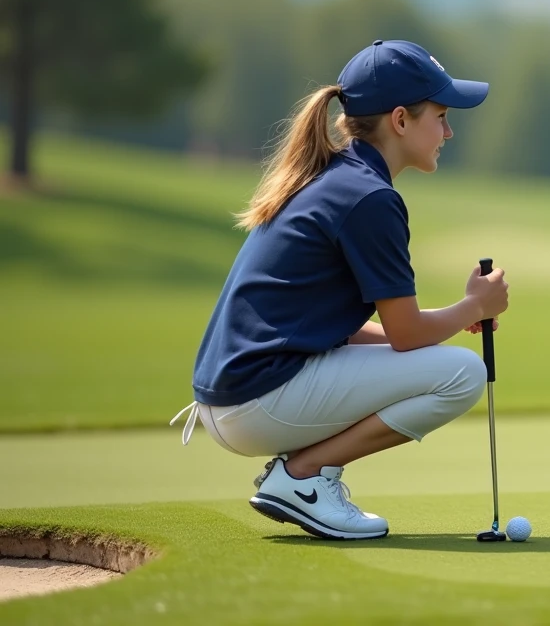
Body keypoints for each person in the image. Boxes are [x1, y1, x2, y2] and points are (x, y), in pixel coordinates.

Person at [170, 39, 509, 541]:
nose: (448, 130)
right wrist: (472, 306)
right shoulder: (370, 198)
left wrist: (459, 315)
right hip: (255, 401)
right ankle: (303, 478)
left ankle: (301, 476)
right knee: (463, 373)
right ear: (400, 120)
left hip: (238, 398)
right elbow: (406, 334)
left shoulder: (337, 178)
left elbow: (344, 330)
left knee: (449, 361)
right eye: (440, 116)